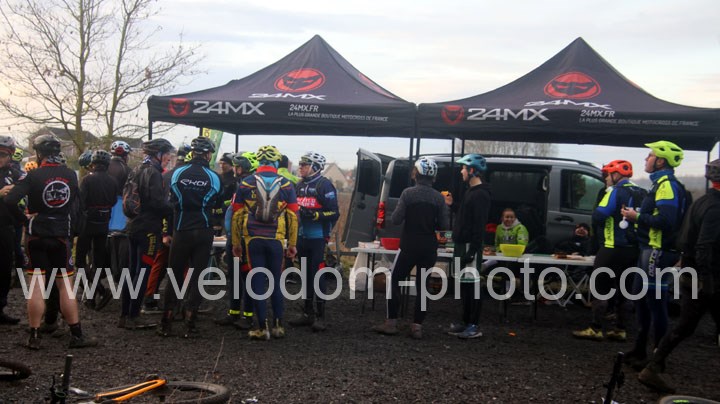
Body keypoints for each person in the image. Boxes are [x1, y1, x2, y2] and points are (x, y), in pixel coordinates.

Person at [4, 134, 97, 349]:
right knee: (65, 286)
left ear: (39, 153)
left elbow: (10, 200)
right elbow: (76, 205)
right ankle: (77, 334)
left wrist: (24, 220)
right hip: (61, 235)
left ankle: (34, 336)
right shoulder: (70, 175)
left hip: (36, 234)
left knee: (37, 285)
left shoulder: (33, 175)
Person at [637, 159, 720, 393]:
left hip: (693, 274)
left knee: (685, 326)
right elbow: (704, 245)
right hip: (705, 278)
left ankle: (653, 367)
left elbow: (684, 238)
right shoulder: (715, 208)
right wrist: (707, 282)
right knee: (684, 326)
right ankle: (653, 367)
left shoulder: (703, 202)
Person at [621, 141, 689, 368]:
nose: (646, 159)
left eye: (649, 155)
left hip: (659, 252)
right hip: (649, 249)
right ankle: (640, 350)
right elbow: (658, 214)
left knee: (656, 303)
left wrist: (637, 217)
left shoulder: (667, 185)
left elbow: (667, 221)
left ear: (660, 161)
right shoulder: (659, 184)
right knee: (640, 300)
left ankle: (657, 359)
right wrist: (638, 214)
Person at [372, 157, 448, 339]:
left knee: (394, 280)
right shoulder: (439, 198)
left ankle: (391, 323)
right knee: (423, 286)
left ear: (416, 174)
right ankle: (417, 327)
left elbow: (396, 219)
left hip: (409, 246)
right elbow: (443, 225)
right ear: (433, 177)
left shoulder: (408, 194)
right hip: (429, 248)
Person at [573, 160, 646, 342]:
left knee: (600, 289)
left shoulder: (614, 191)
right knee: (625, 291)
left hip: (612, 248)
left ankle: (595, 328)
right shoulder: (642, 192)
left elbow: (599, 215)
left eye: (607, 175)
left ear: (616, 175)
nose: (605, 179)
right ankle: (620, 329)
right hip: (633, 249)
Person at [231, 145, 298, 340]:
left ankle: (262, 328)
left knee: (257, 281)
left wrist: (236, 243)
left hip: (252, 239)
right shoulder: (286, 184)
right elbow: (293, 216)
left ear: (259, 162)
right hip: (276, 239)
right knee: (276, 281)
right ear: (276, 162)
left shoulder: (246, 183)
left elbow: (236, 215)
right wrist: (292, 244)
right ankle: (278, 326)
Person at [158, 137, 223, 337]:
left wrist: (167, 231)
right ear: (208, 155)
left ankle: (166, 323)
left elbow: (169, 202)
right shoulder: (214, 176)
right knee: (198, 276)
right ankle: (190, 323)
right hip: (204, 229)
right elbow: (218, 203)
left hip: (181, 229)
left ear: (192, 153)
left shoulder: (177, 173)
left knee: (174, 275)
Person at [121, 138, 175, 330]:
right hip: (149, 229)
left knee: (132, 271)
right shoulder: (154, 173)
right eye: (167, 154)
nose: (169, 158)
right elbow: (157, 203)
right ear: (158, 154)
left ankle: (124, 314)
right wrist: (173, 208)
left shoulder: (137, 169)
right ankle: (134, 315)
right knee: (143, 272)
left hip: (132, 225)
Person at [289, 151, 340, 332]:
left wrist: (316, 215)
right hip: (302, 237)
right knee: (304, 275)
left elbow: (334, 212)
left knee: (317, 275)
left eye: (305, 164)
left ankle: (320, 316)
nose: (301, 167)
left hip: (318, 238)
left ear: (315, 167)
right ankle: (307, 313)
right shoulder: (299, 185)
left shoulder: (324, 185)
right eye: (300, 164)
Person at [445, 153, 491, 339]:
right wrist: (452, 205)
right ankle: (465, 322)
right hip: (461, 244)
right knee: (464, 286)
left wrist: (473, 250)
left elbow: (479, 225)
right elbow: (465, 216)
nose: (461, 172)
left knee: (473, 287)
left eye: (464, 169)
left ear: (472, 170)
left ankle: (474, 325)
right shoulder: (470, 192)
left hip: (470, 245)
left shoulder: (481, 194)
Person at [215, 152, 256, 329]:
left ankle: (248, 316)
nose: (235, 169)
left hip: (245, 238)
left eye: (237, 166)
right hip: (233, 237)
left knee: (247, 277)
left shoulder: (252, 185)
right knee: (234, 277)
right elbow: (232, 205)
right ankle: (233, 312)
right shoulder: (239, 184)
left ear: (245, 167)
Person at [75, 150, 118, 309]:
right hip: (103, 224)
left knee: (80, 261)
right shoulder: (113, 181)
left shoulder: (86, 180)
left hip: (88, 224)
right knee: (97, 262)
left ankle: (99, 291)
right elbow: (113, 201)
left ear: (92, 164)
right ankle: (93, 296)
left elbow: (80, 202)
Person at [0, 136, 24, 325]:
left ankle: (0, 308)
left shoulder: (14, 174)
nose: (0, 158)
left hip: (7, 227)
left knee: (4, 269)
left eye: (3, 155)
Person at [107, 140, 132, 283]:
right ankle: (120, 273)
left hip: (106, 208)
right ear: (126, 156)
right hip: (121, 207)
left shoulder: (104, 167)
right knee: (122, 240)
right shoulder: (128, 170)